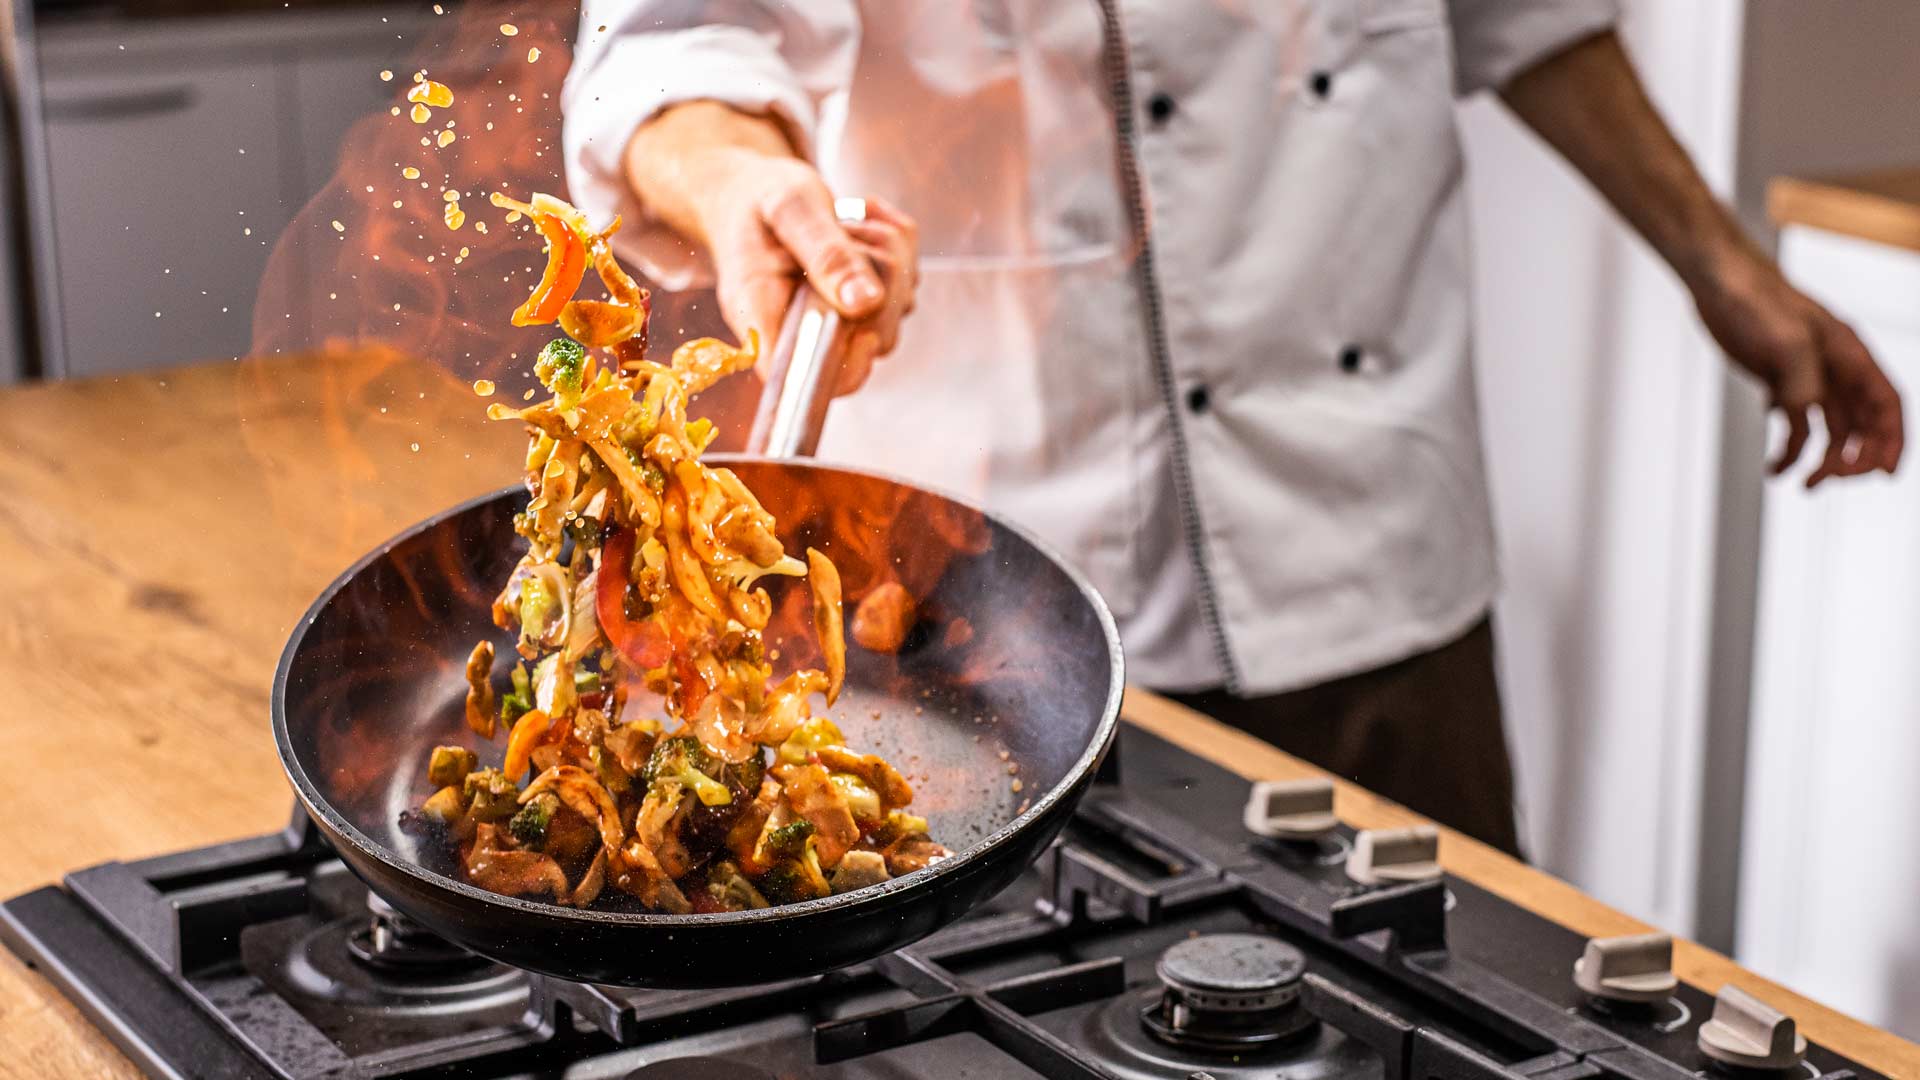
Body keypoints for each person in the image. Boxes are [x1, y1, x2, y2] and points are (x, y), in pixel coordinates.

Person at [560, 2, 1903, 857]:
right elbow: (676, 53)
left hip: (1379, 535)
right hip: (996, 599)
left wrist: (1722, 266)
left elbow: (1527, 13)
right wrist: (750, 186)